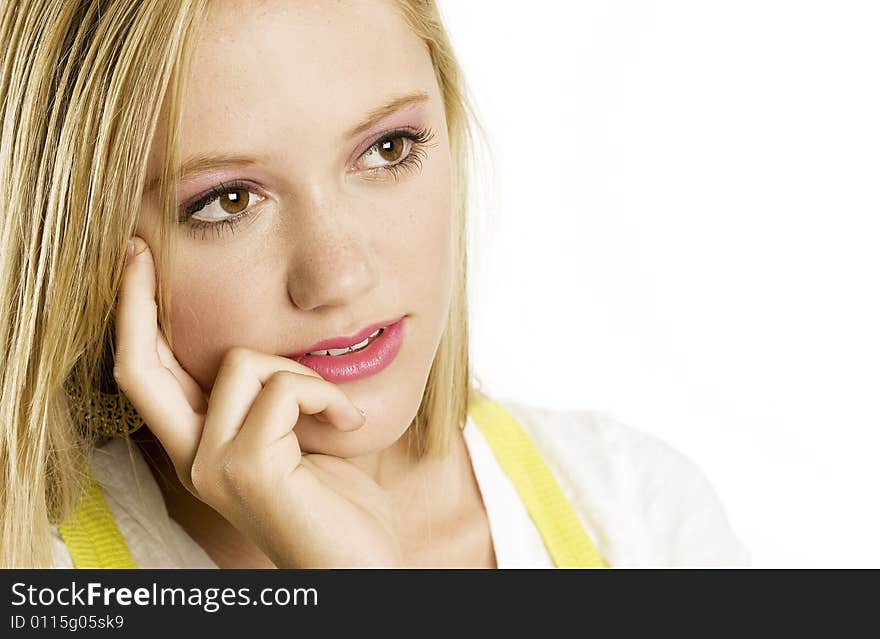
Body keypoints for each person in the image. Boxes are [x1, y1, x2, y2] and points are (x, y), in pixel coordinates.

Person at [0, 0, 750, 568]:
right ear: (84, 244)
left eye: (388, 149)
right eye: (229, 200)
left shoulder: (637, 517)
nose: (340, 274)